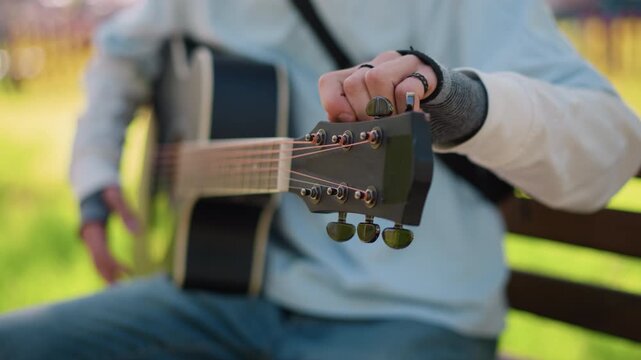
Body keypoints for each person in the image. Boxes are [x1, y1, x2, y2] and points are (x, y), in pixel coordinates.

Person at [1, 0, 641, 359]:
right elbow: (119, 50)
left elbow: (611, 144)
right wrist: (94, 172)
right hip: (224, 295)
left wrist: (456, 102)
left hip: (412, 311)